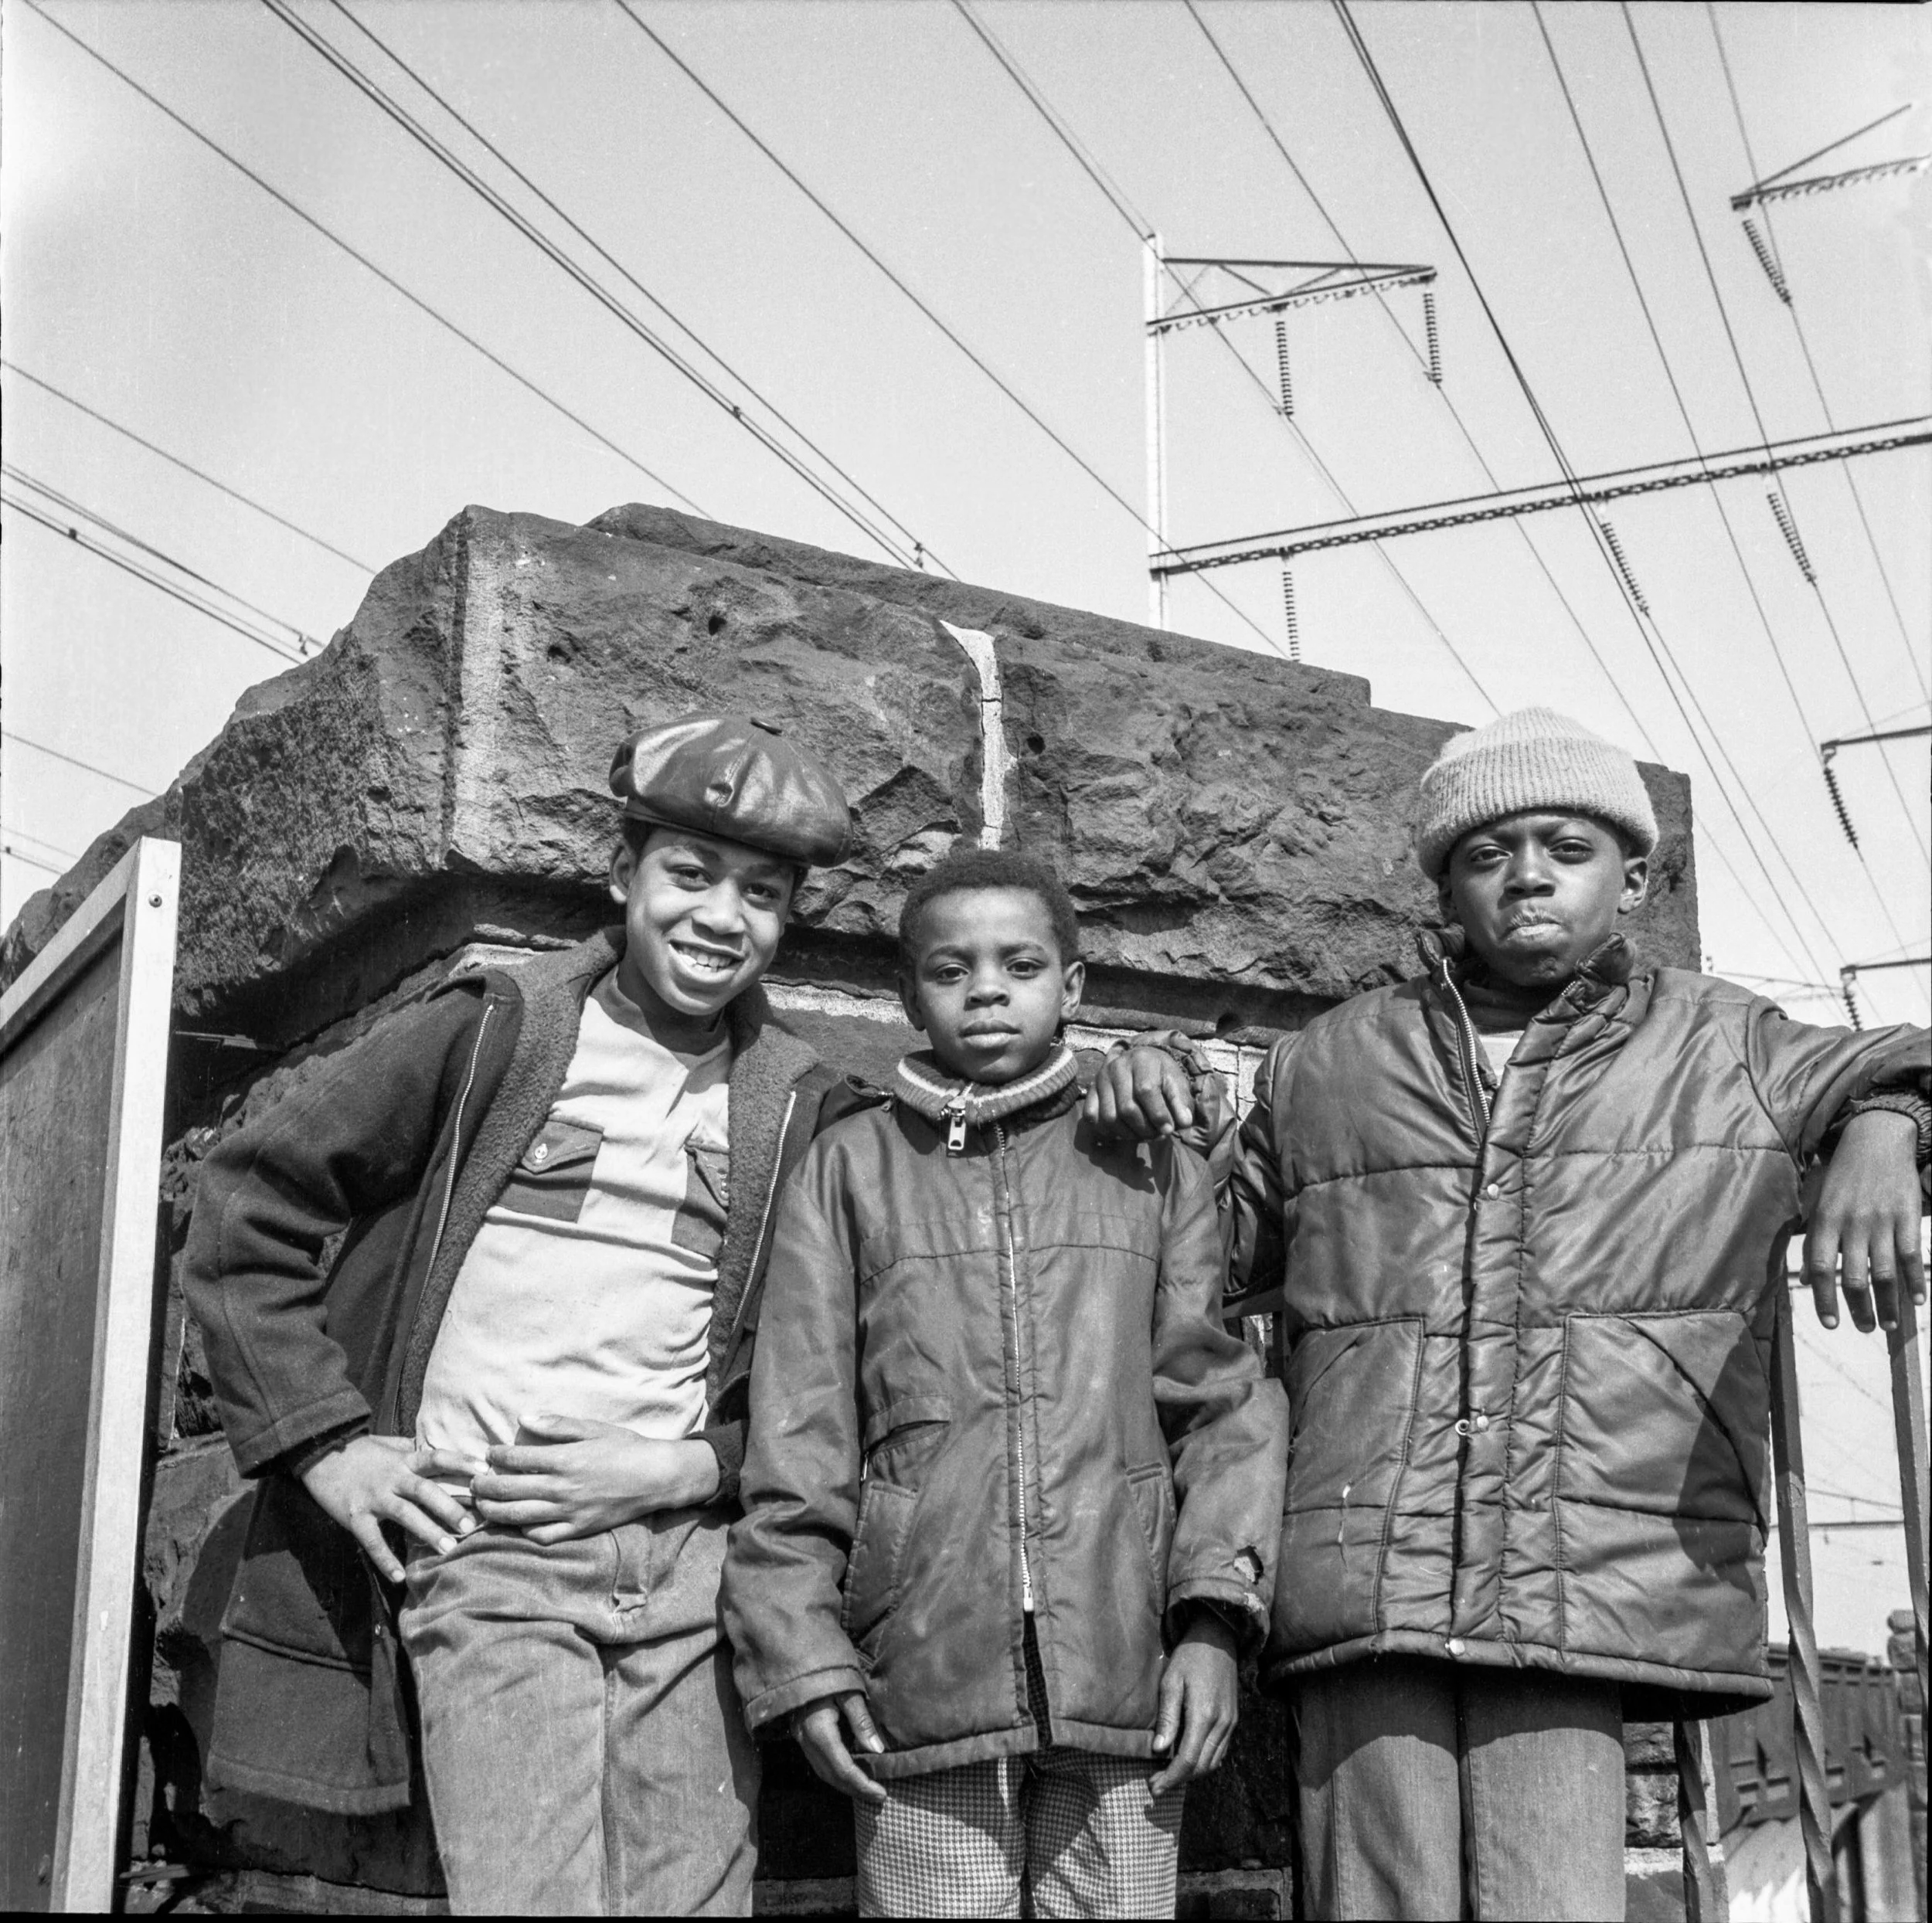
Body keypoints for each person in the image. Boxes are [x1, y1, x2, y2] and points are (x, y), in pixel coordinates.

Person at [1088, 708, 1931, 1921]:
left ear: (1634, 875)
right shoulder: (1326, 1062)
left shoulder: (1725, 1039)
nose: (1526, 873)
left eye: (1565, 846)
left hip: (1583, 1576)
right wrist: (1132, 1104)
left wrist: (1888, 1132)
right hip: (1366, 1577)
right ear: (1443, 889)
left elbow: (1904, 1061)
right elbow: (1191, 1270)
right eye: (1487, 853)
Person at [182, 714, 872, 1916]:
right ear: (624, 874)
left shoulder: (803, 1103)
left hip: (697, 1582)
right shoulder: (498, 1027)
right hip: (494, 1560)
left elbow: (841, 1373)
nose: (721, 919)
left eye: (762, 894)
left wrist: (683, 1467)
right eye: (691, 875)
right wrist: (327, 1445)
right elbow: (250, 1202)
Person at [720, 847, 1289, 1919]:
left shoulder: (1143, 1159)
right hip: (918, 1679)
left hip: (1128, 1681)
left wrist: (1215, 1626)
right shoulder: (850, 1169)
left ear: (1070, 988)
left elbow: (1221, 1404)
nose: (986, 988)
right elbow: (797, 1437)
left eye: (1020, 964)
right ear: (906, 994)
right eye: (951, 969)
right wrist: (802, 1651)